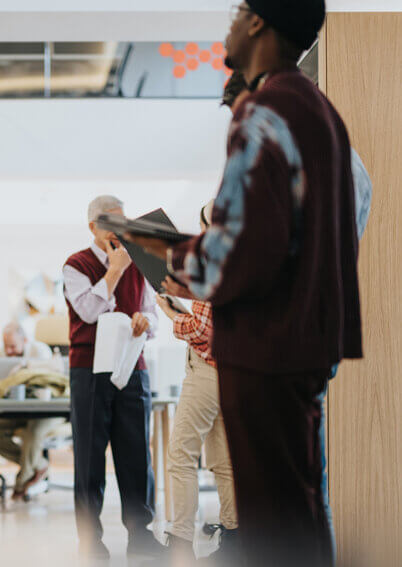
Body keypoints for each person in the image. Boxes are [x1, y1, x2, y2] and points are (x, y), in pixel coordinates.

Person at [128, 2, 363, 565]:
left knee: (273, 519)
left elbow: (242, 252)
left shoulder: (264, 110)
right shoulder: (318, 111)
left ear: (258, 22)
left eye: (237, 11)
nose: (229, 26)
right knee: (299, 507)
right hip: (304, 340)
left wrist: (166, 256)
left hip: (266, 344)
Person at [220, 64, 373, 562]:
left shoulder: (307, 159)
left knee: (292, 489)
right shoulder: (336, 159)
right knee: (302, 484)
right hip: (304, 336)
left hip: (285, 341)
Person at [63, 195, 162, 560]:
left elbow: (153, 314)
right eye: (110, 222)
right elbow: (88, 312)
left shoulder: (141, 262)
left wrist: (146, 321)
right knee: (89, 457)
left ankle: (141, 535)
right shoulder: (75, 264)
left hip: (132, 367)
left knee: (137, 454)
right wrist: (115, 270)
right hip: (89, 370)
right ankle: (90, 540)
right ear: (93, 226)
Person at [156, 202, 238, 567]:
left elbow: (202, 328)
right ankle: (235, 539)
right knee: (224, 460)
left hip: (207, 370)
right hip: (234, 371)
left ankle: (180, 541)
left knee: (181, 455)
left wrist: (170, 312)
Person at [0, 321, 64, 500]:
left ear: (25, 340)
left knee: (34, 432)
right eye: (6, 346)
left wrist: (25, 368)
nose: (9, 351)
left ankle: (21, 484)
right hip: (19, 411)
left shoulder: (42, 352)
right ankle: (39, 464)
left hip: (50, 411)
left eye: (13, 346)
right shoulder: (0, 354)